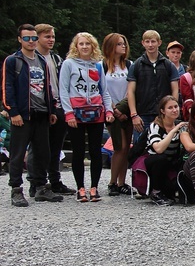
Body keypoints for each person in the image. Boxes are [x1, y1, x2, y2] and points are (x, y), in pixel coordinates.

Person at [2, 24, 63, 206]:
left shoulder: (42, 61)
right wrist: (13, 112)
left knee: (43, 152)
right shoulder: (13, 60)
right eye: (27, 38)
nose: (31, 42)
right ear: (20, 39)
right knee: (18, 152)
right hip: (22, 114)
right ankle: (16, 189)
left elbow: (48, 87)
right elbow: (7, 88)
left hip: (42, 113)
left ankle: (39, 187)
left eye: (33, 38)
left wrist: (51, 110)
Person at [59, 32, 115, 203]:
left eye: (87, 44)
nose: (84, 47)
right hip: (76, 112)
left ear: (93, 46)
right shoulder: (69, 64)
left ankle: (94, 187)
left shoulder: (97, 65)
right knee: (78, 151)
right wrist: (68, 113)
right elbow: (64, 90)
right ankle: (80, 188)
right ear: (76, 46)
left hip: (96, 112)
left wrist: (109, 110)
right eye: (81, 44)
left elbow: (104, 90)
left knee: (95, 152)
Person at [28, 24, 75, 196]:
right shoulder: (32, 58)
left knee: (56, 146)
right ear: (37, 38)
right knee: (38, 147)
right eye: (47, 37)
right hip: (40, 108)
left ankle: (55, 181)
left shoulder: (56, 59)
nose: (51, 40)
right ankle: (36, 183)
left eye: (53, 36)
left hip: (58, 106)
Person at [127, 30, 179, 142]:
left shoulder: (168, 65)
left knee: (165, 146)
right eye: (147, 41)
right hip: (142, 114)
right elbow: (130, 91)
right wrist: (134, 115)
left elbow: (175, 90)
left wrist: (172, 110)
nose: (150, 45)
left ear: (159, 43)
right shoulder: (136, 65)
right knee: (140, 149)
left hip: (163, 115)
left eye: (153, 41)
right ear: (143, 43)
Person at [100, 32, 133, 196]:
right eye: (120, 44)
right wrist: (114, 109)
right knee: (119, 146)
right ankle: (112, 182)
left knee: (127, 147)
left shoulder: (129, 65)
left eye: (124, 44)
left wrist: (125, 108)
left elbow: (131, 89)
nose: (123, 47)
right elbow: (102, 89)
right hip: (111, 112)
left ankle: (122, 182)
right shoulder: (102, 66)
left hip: (127, 110)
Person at [144, 96, 186, 206]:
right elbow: (158, 148)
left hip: (172, 162)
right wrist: (173, 131)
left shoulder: (180, 124)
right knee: (160, 158)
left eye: (176, 106)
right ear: (162, 111)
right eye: (170, 108)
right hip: (155, 162)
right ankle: (155, 192)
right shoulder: (155, 126)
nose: (174, 110)